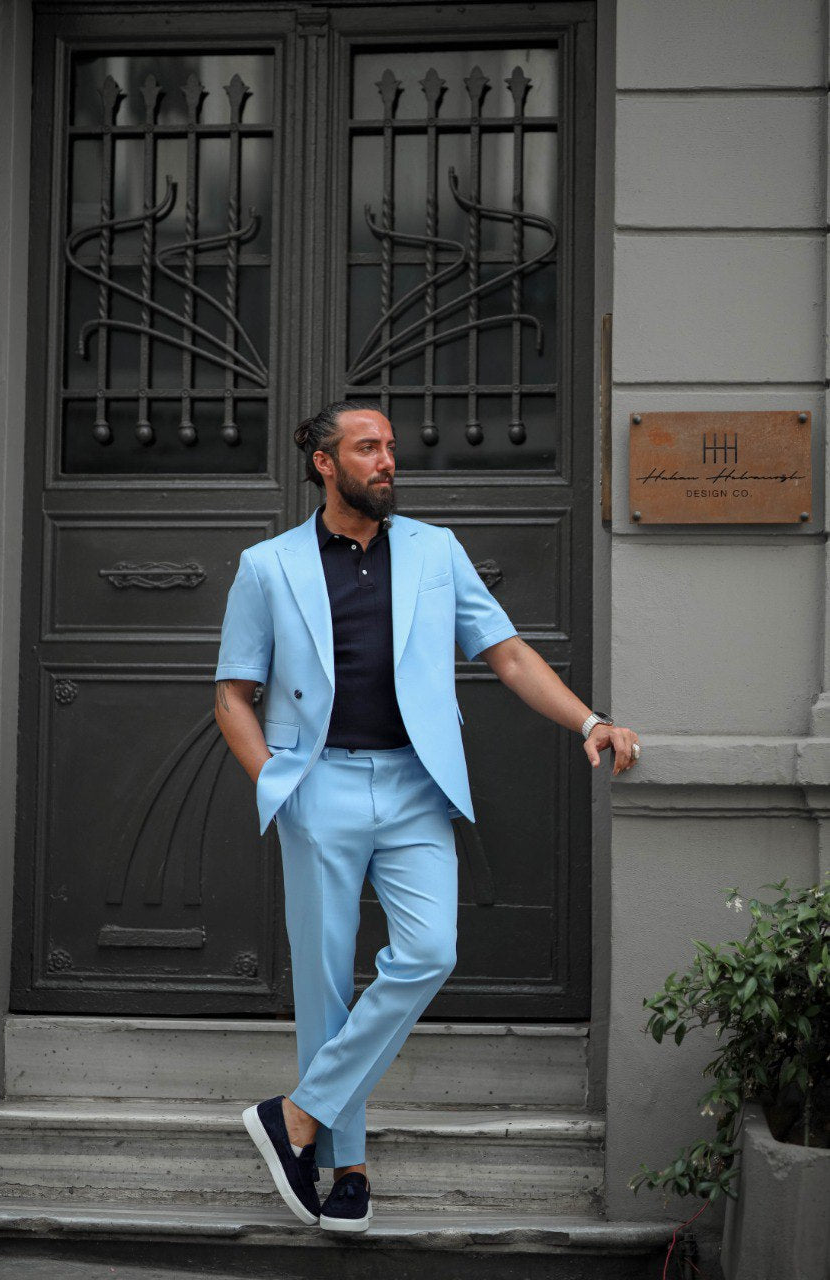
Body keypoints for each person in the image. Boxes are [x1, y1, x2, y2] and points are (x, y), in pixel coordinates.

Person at [213, 399, 640, 1233]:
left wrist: (590, 720)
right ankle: (346, 1167)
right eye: (366, 448)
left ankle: (295, 1117)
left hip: (415, 787)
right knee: (325, 984)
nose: (386, 462)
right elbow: (233, 693)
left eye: (390, 449)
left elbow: (507, 653)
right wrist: (277, 784)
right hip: (318, 786)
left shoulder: (435, 552)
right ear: (324, 464)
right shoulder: (267, 566)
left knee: (429, 950)